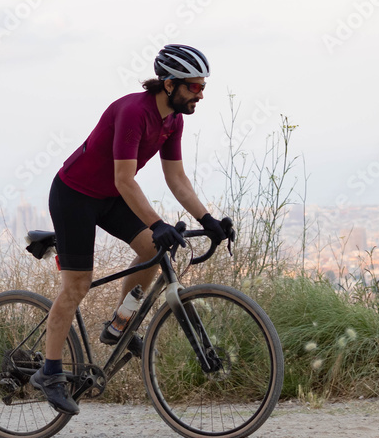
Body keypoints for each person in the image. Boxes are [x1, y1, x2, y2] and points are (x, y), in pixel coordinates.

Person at [29, 44, 235, 415]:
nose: (201, 95)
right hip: (75, 195)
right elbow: (125, 179)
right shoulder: (133, 112)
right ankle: (50, 371)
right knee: (77, 285)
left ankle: (120, 324)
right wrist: (157, 223)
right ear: (169, 85)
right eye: (195, 88)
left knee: (151, 250)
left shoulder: (174, 120)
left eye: (203, 87)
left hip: (108, 197)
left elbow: (177, 179)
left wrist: (209, 221)